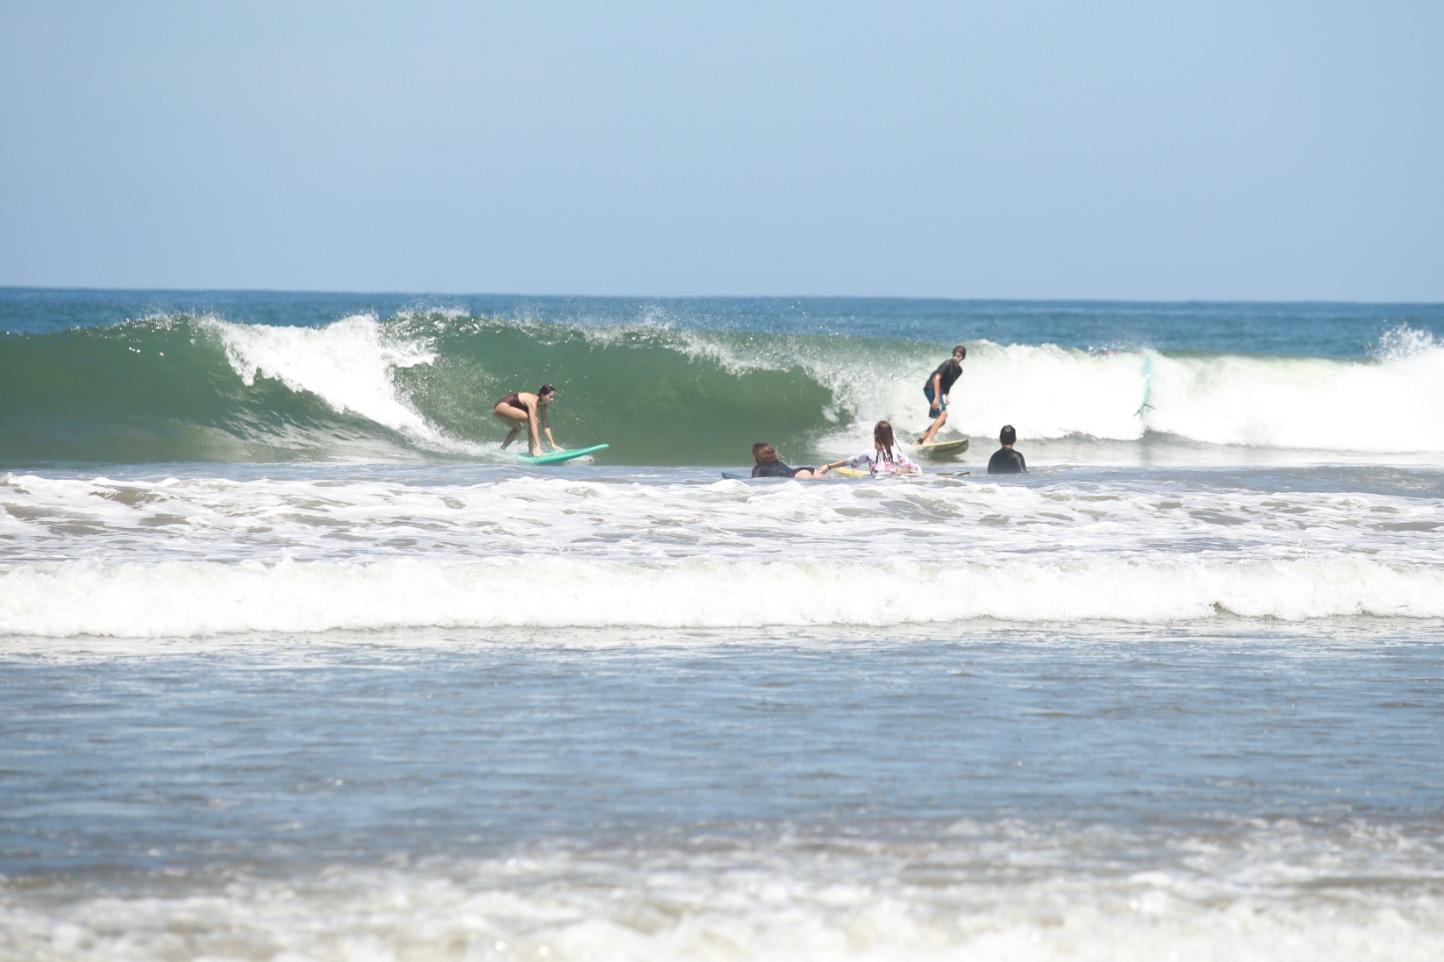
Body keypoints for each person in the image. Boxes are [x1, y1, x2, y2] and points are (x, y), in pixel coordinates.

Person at [818, 420, 922, 477]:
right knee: (898, 470)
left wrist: (829, 466)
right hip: (894, 485)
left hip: (878, 487)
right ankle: (894, 471)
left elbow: (851, 461)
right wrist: (901, 470)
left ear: (875, 435)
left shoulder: (869, 453)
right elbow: (916, 469)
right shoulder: (898, 453)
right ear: (891, 435)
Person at [917, 345, 966, 445]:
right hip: (931, 388)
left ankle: (922, 438)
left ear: (963, 358)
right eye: (955, 356)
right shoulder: (947, 363)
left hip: (938, 391)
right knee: (943, 415)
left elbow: (948, 383)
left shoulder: (959, 371)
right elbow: (937, 378)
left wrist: (947, 395)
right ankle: (928, 440)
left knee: (942, 420)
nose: (956, 358)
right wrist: (936, 397)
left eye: (959, 356)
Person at [493, 384, 560, 457]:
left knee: (518, 428)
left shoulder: (544, 405)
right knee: (534, 420)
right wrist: (538, 446)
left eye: (553, 397)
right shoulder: (533, 401)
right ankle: (532, 450)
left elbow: (546, 425)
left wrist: (553, 443)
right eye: (550, 397)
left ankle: (502, 449)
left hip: (505, 409)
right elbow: (533, 425)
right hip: (502, 407)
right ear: (543, 395)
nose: (552, 399)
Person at [750, 442, 818, 479]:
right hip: (800, 472)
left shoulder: (759, 468)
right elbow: (791, 471)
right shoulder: (778, 463)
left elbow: (754, 484)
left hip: (793, 480)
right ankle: (819, 472)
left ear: (756, 456)